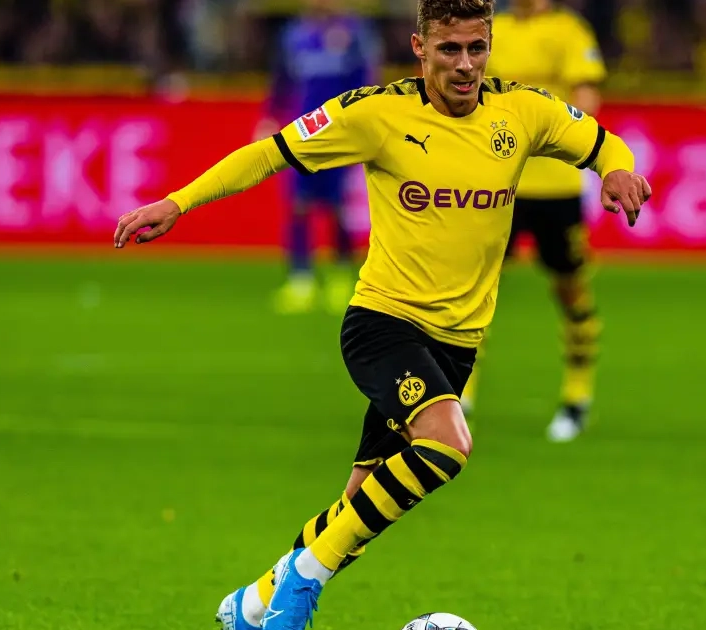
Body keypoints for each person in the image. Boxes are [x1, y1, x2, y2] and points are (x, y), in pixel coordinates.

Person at [112, 1, 651, 629]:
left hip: (456, 343)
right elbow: (269, 154)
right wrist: (178, 203)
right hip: (384, 324)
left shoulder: (523, 110)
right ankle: (301, 587)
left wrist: (618, 172)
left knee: (358, 509)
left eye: (476, 48)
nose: (465, 65)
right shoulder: (375, 114)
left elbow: (603, 142)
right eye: (449, 49)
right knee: (447, 446)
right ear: (420, 48)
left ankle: (250, 604)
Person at [466, 0, 608, 442]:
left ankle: (577, 396)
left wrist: (546, 133)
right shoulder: (493, 29)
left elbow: (586, 98)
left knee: (570, 288)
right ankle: (461, 394)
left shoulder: (568, 30)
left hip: (555, 185)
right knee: (474, 288)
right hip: (498, 183)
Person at [258, 0, 382, 314]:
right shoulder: (294, 34)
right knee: (298, 206)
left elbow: (365, 81)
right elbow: (282, 80)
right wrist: (270, 115)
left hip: (339, 133)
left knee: (338, 208)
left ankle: (341, 277)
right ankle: (301, 279)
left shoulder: (354, 32)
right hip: (300, 133)